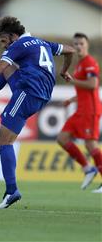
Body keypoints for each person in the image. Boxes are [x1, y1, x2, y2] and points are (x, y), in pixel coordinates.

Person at [0, 16, 75, 208]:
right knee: (8, 67)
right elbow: (70, 50)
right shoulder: (41, 42)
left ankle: (12, 191)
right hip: (39, 93)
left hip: (29, 94)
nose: (4, 46)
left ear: (13, 36)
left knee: (4, 142)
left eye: (4, 41)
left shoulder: (19, 45)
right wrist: (64, 70)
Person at [57, 33, 102, 193]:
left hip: (90, 110)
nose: (78, 47)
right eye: (75, 44)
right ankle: (88, 168)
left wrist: (72, 80)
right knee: (62, 138)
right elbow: (85, 90)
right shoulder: (79, 65)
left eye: (81, 43)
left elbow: (92, 84)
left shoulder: (90, 62)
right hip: (80, 109)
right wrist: (72, 99)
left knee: (90, 144)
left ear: (87, 45)